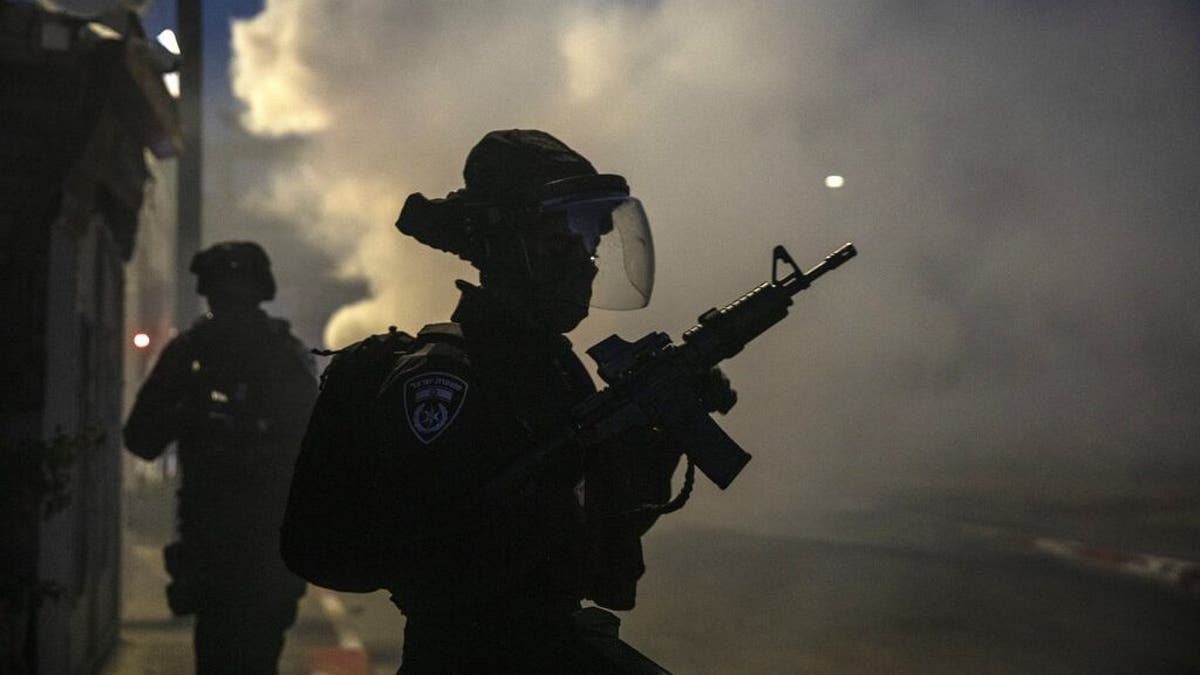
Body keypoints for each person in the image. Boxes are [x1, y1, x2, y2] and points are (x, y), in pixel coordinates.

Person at [282, 130, 736, 673]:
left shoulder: (549, 368)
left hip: (535, 644)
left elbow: (594, 539)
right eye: (562, 242)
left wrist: (654, 442)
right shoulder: (446, 378)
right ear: (505, 245)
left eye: (590, 244)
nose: (587, 264)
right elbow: (448, 558)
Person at [124, 241, 316, 674]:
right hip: (225, 541)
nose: (230, 309)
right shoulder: (197, 355)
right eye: (223, 298)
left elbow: (312, 443)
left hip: (255, 540)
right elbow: (141, 438)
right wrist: (191, 410)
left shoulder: (273, 355)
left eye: (235, 298)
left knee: (238, 653)